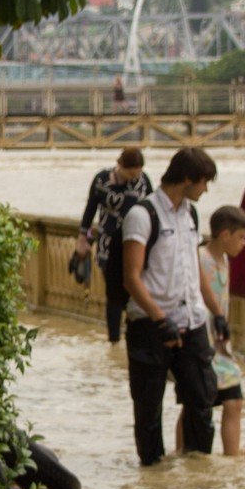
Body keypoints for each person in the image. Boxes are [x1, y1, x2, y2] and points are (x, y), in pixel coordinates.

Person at [122, 147, 218, 466]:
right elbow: (131, 277)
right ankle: (154, 474)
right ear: (188, 178)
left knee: (201, 401)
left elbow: (195, 267)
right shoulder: (143, 214)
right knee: (149, 408)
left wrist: (217, 314)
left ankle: (196, 473)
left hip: (191, 321)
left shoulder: (189, 213)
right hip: (151, 325)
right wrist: (160, 319)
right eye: (204, 182)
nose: (206, 189)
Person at [77, 146, 154, 343]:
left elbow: (153, 209)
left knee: (135, 291)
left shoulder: (144, 181)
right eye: (130, 172)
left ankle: (134, 336)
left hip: (136, 244)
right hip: (108, 245)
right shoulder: (102, 180)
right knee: (114, 294)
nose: (133, 177)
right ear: (119, 165)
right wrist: (83, 238)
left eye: (137, 172)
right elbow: (90, 210)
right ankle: (114, 340)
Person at [198, 206, 245, 457]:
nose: (244, 244)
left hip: (221, 344)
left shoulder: (225, 259)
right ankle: (188, 453)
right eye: (241, 237)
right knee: (198, 406)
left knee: (234, 401)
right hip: (202, 342)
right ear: (225, 235)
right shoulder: (200, 257)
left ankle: (231, 457)